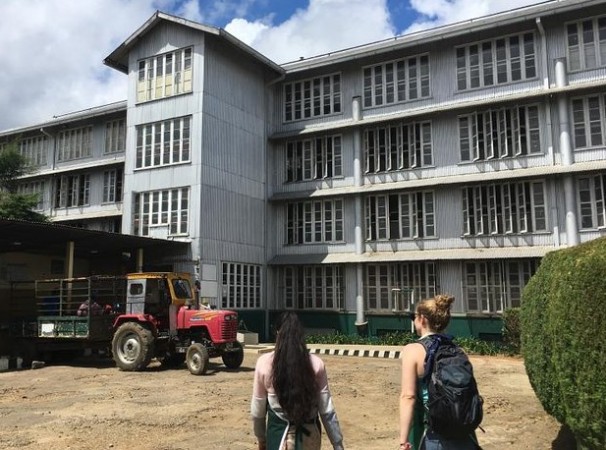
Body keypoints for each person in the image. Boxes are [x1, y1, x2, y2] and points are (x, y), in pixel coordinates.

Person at [251, 312, 344, 450]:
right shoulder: (316, 364)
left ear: (277, 333)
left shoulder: (264, 364)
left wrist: (261, 439)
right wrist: (337, 444)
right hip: (310, 439)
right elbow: (327, 410)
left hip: (278, 440)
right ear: (300, 335)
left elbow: (257, 412)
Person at [399, 295, 480, 450]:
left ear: (422, 319)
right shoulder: (457, 349)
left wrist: (404, 441)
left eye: (414, 317)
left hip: (436, 437)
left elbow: (408, 397)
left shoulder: (413, 350)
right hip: (466, 434)